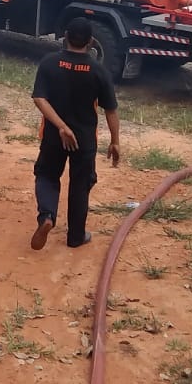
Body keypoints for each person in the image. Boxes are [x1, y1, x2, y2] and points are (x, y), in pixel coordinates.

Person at [30, 17, 120, 250]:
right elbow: (110, 110)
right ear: (90, 42)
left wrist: (61, 126)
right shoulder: (98, 71)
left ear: (66, 37)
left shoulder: (49, 63)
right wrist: (115, 142)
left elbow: (40, 98)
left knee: (47, 175)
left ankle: (47, 217)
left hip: (53, 135)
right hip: (84, 139)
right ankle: (75, 237)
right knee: (81, 184)